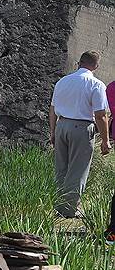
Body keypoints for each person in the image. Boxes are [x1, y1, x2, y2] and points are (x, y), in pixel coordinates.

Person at [49, 50, 110, 218]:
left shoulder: (62, 81)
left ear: (79, 62)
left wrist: (52, 131)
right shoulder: (96, 84)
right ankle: (69, 209)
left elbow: (52, 109)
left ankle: (60, 204)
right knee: (78, 169)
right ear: (96, 66)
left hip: (62, 124)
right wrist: (105, 140)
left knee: (61, 168)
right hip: (82, 127)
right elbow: (100, 115)